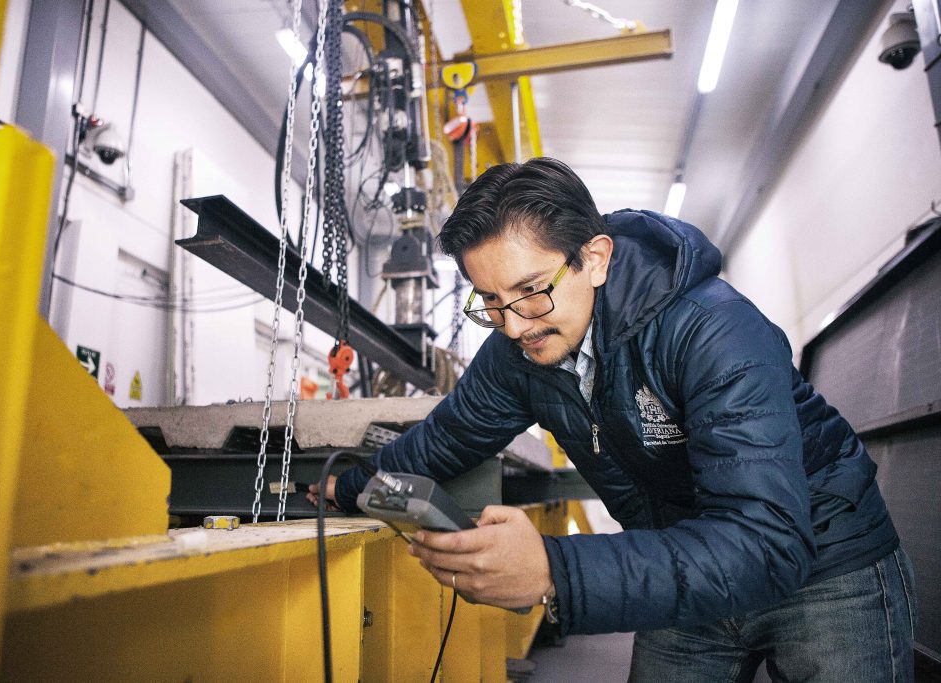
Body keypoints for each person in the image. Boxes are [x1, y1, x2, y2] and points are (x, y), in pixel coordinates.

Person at [307, 157, 916, 681]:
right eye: (489, 301)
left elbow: (766, 543)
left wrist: (555, 570)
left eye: (530, 290)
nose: (514, 324)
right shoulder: (515, 356)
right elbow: (445, 440)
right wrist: (354, 486)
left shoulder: (714, 330)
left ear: (595, 258)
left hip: (826, 563)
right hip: (684, 561)